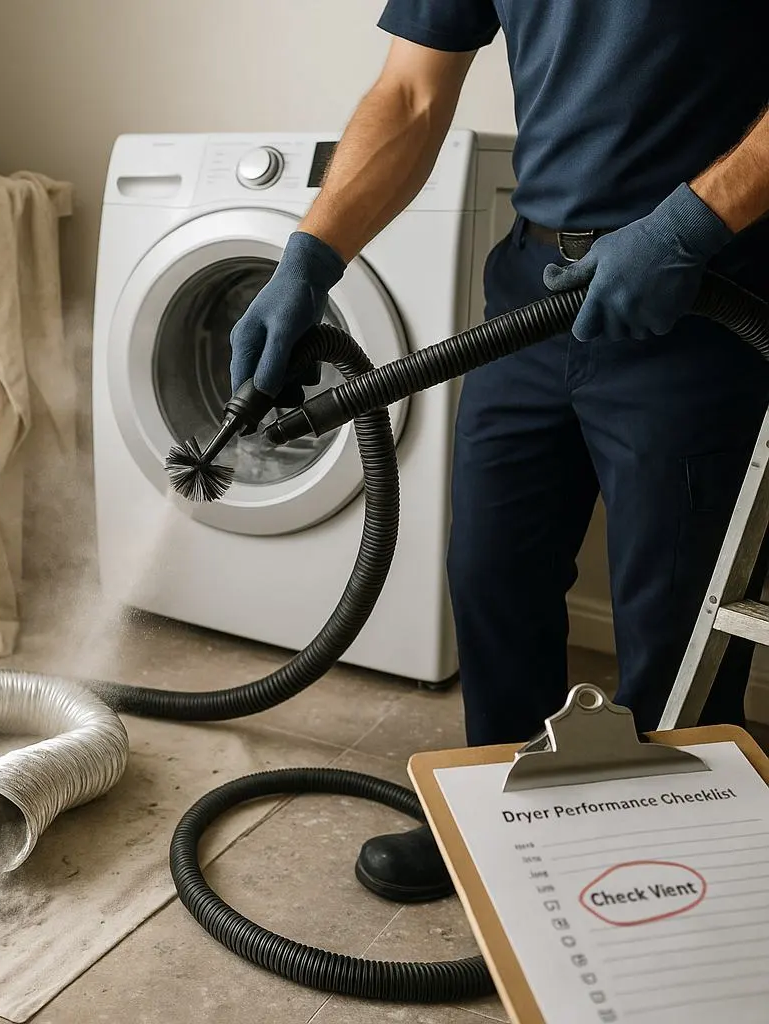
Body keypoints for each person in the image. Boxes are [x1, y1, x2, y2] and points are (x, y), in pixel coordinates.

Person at [229, 1, 769, 903]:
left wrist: (687, 228)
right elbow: (409, 94)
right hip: (533, 293)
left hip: (697, 299)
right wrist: (309, 258)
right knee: (492, 572)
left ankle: (674, 872)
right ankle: (497, 820)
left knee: (675, 621)